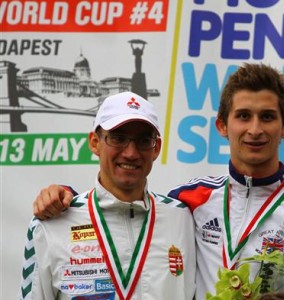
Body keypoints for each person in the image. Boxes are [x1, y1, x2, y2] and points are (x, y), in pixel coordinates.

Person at [29, 63, 284, 299]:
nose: (254, 129)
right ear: (222, 125)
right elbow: (122, 206)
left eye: (267, 117)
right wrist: (69, 202)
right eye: (243, 116)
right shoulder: (186, 204)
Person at [19, 92, 196, 299]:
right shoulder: (51, 224)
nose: (131, 153)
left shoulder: (183, 219)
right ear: (95, 142)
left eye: (143, 140)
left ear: (156, 148)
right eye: (118, 138)